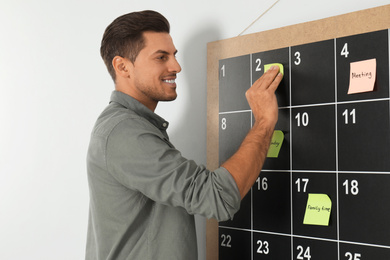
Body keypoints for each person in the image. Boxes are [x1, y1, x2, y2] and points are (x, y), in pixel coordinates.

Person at [86, 10, 282, 260]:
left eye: (174, 56)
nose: (176, 67)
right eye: (161, 57)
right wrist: (264, 122)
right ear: (122, 66)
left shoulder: (131, 126)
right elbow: (217, 197)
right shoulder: (124, 132)